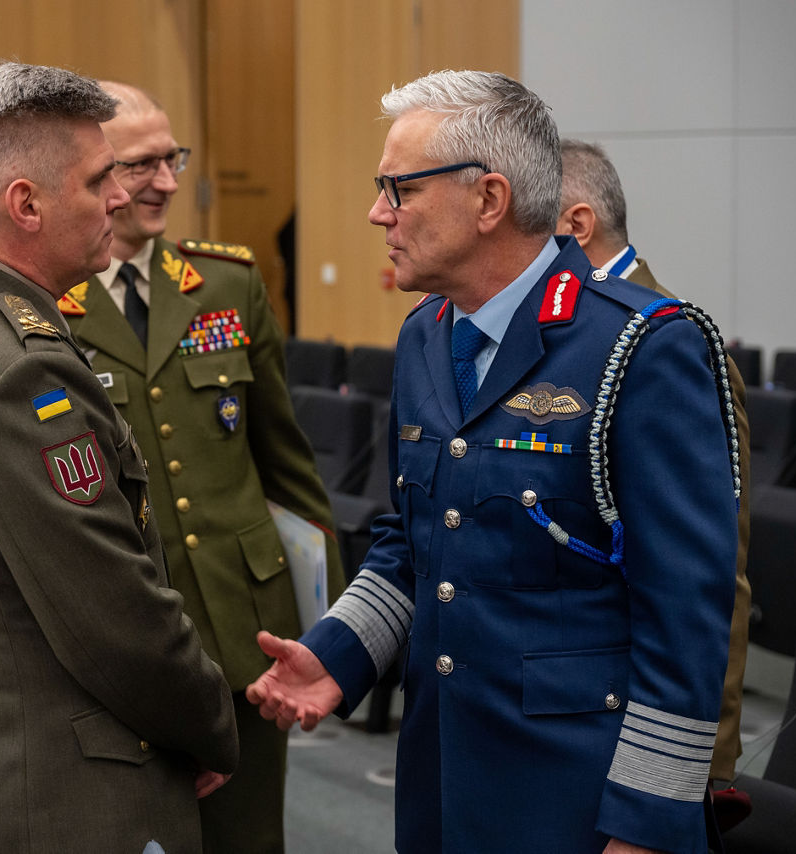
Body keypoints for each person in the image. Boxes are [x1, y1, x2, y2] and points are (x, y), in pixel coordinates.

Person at [246, 70, 739, 854]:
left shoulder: (639, 346)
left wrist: (646, 827)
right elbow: (415, 542)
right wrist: (336, 655)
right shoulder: (425, 335)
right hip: (443, 775)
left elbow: (689, 613)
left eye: (397, 188)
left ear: (489, 200)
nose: (378, 212)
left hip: (579, 796)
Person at [0, 61, 238, 853]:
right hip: (59, 799)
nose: (124, 196)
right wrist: (211, 725)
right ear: (26, 204)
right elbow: (115, 618)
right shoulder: (18, 370)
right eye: (100, 179)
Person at [58, 80, 343, 854]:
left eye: (173, 158)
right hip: (131, 637)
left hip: (248, 627)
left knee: (250, 839)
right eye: (143, 163)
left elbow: (285, 466)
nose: (169, 181)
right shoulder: (50, 302)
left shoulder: (227, 281)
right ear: (92, 171)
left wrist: (331, 630)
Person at [557, 138, 752, 789]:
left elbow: (718, 576)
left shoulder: (671, 344)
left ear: (577, 224)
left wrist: (707, 766)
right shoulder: (561, 333)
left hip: (648, 723)